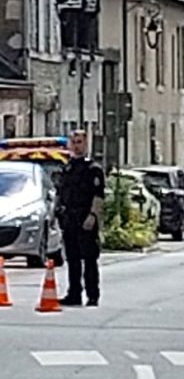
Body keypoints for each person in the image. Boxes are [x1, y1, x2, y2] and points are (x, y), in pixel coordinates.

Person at [58, 130, 105, 307]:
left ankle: (93, 295)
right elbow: (61, 193)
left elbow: (98, 196)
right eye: (74, 142)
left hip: (86, 217)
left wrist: (93, 215)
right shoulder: (68, 167)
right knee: (72, 259)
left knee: (89, 258)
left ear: (86, 144)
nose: (76, 145)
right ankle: (74, 293)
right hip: (70, 218)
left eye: (80, 142)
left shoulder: (93, 169)